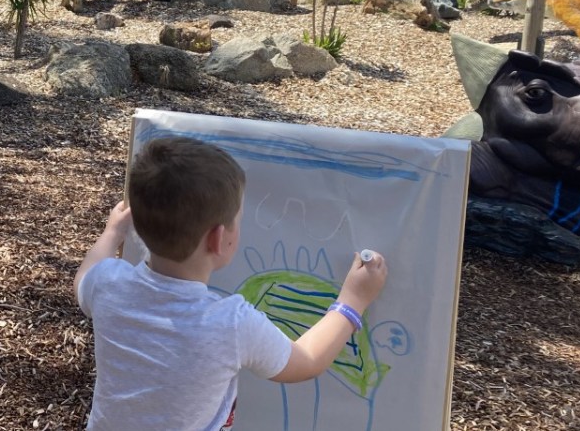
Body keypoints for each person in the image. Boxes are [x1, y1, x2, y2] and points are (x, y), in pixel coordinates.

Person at [74, 136, 388, 430]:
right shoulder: (230, 323)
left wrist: (112, 233)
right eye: (237, 219)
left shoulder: (108, 285)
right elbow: (305, 362)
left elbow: (85, 275)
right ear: (219, 238)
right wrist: (352, 301)